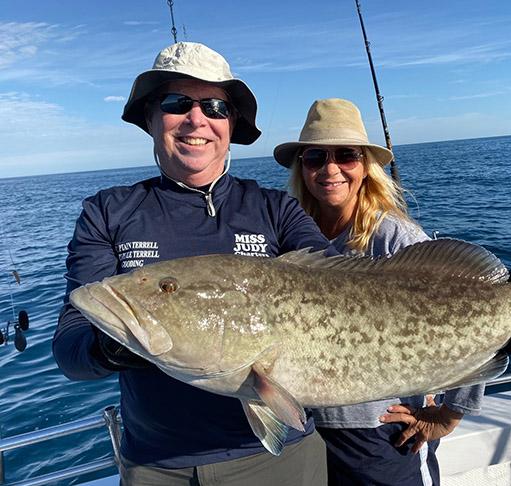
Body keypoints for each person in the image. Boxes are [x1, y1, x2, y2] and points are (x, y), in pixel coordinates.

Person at [52, 42, 331, 486]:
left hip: (280, 463)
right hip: (156, 466)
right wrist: (110, 347)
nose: (196, 119)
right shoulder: (107, 212)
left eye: (215, 106)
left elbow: (342, 286)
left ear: (231, 123)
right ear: (150, 118)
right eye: (176, 103)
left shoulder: (277, 209)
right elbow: (70, 349)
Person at [273, 98, 511, 486]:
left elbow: (470, 314)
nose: (330, 169)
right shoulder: (287, 238)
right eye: (314, 157)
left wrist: (449, 414)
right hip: (305, 428)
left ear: (365, 167)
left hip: (377, 433)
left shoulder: (395, 236)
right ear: (301, 168)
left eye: (346, 155)